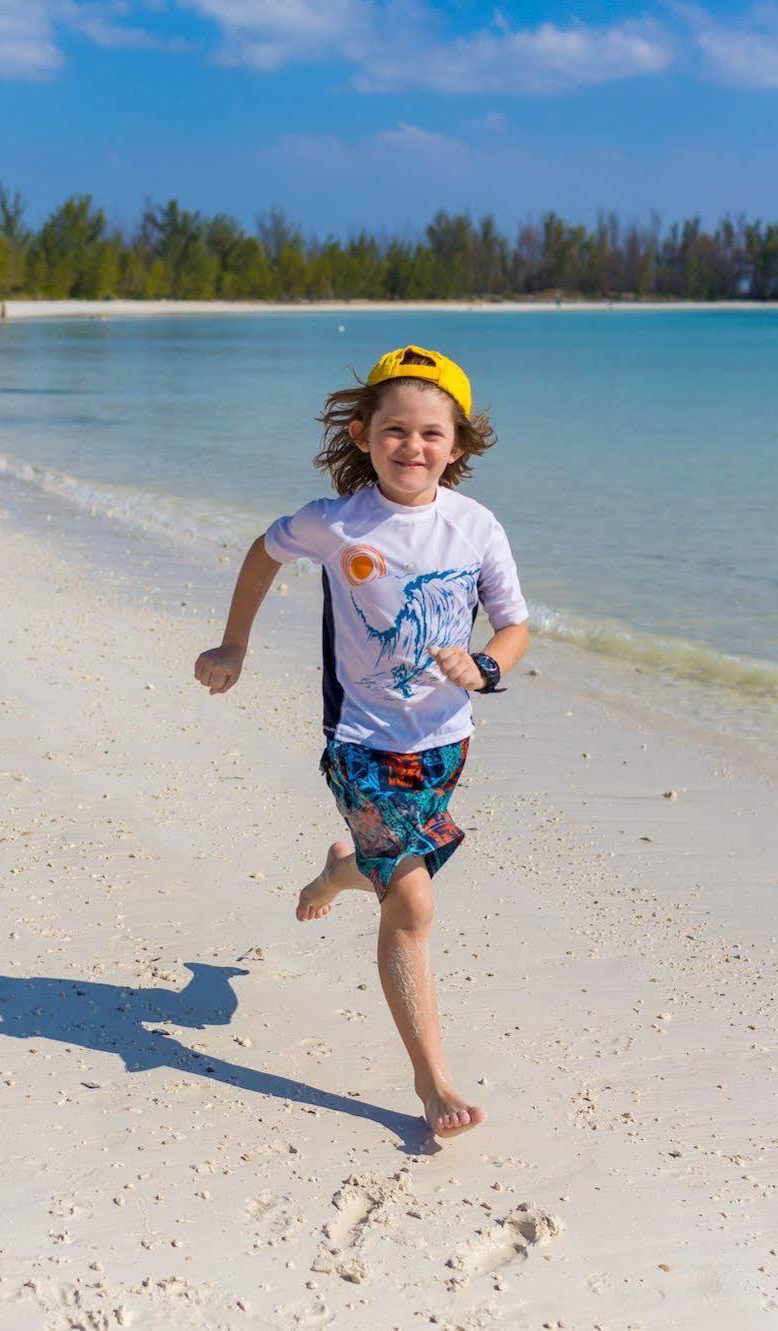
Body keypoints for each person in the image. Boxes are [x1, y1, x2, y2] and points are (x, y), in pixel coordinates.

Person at [193, 345, 530, 1141]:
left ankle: (344, 868)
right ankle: (430, 1078)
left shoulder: (475, 526)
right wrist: (233, 645)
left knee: (387, 871)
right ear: (361, 433)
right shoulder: (335, 522)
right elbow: (261, 554)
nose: (411, 447)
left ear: (457, 445)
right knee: (411, 901)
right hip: (359, 742)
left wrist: (482, 666)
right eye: (395, 430)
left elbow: (514, 627)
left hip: (444, 742)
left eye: (430, 434)